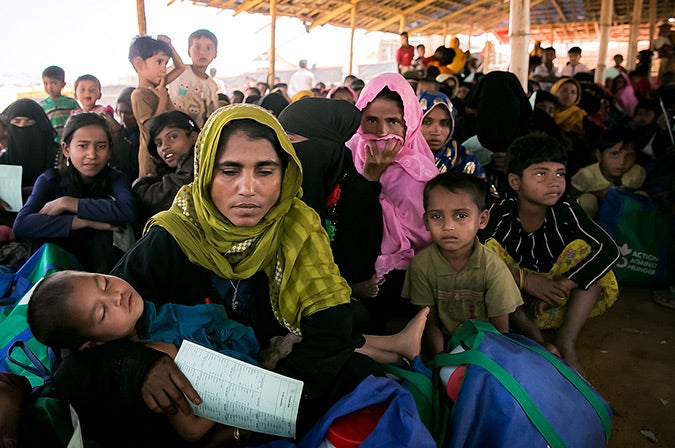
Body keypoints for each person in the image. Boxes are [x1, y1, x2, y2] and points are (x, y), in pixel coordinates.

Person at [53, 104, 429, 447]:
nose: (248, 189)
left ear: (286, 174)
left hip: (281, 390)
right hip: (199, 411)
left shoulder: (298, 229)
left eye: (265, 171)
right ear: (203, 175)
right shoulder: (173, 238)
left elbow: (330, 333)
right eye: (229, 170)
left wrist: (252, 418)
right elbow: (74, 360)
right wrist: (139, 367)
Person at [27, 269, 260, 445]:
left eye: (104, 283)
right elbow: (192, 429)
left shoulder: (150, 311)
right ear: (93, 344)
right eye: (103, 312)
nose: (116, 296)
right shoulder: (153, 360)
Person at [478, 133, 620, 372]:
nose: (554, 182)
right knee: (486, 251)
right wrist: (526, 280)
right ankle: (533, 336)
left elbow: (609, 250)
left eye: (560, 173)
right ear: (515, 182)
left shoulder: (566, 209)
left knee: (589, 255)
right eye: (541, 174)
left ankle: (566, 338)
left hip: (554, 301)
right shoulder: (499, 212)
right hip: (516, 304)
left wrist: (562, 285)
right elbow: (470, 253)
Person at [346, 72, 438, 332]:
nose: (382, 132)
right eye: (371, 120)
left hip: (408, 281)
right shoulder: (346, 156)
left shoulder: (422, 174)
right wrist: (369, 180)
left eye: (393, 122)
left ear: (409, 124)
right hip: (352, 275)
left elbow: (429, 239)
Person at [402, 172, 523, 359]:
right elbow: (429, 322)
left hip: (486, 346)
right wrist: (441, 360)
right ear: (425, 221)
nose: (448, 226)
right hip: (444, 346)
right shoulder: (421, 265)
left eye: (460, 215)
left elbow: (500, 333)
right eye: (436, 216)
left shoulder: (493, 267)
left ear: (482, 220)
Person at [278, 97, 383, 300]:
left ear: (323, 145)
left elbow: (355, 267)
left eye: (291, 141)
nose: (284, 151)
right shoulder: (284, 185)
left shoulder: (358, 195)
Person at [12, 113, 136, 273]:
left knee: (103, 233)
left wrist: (67, 203)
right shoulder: (50, 180)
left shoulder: (116, 179)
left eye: (101, 146)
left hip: (102, 267)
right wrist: (83, 221)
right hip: (59, 269)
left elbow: (128, 211)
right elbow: (21, 225)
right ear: (66, 149)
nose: (92, 155)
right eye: (83, 146)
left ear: (110, 151)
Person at [417, 90, 494, 198]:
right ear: (414, 122)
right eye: (427, 122)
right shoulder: (399, 159)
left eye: (445, 123)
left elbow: (488, 200)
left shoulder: (463, 159)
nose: (436, 131)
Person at [128, 34, 186, 178]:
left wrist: (169, 46)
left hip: (167, 156)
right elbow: (151, 128)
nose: (164, 69)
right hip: (151, 162)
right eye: (159, 62)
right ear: (139, 64)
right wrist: (162, 100)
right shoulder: (139, 95)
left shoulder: (159, 87)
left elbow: (181, 67)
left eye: (166, 63)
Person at [131, 110, 198, 232]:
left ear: (193, 138)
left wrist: (141, 184)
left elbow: (153, 197)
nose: (164, 147)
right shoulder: (171, 171)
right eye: (158, 143)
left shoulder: (196, 168)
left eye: (173, 137)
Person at [569, 127, 646, 220]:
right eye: (614, 154)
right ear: (599, 155)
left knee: (642, 196)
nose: (622, 162)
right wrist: (597, 195)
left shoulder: (636, 173)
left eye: (629, 156)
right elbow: (569, 198)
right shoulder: (586, 175)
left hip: (620, 219)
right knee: (587, 201)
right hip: (592, 219)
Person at [0, 99, 59, 192]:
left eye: (29, 121)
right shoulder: (3, 161)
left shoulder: (59, 156)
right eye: (17, 121)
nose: (22, 126)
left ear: (40, 125)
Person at [167, 29, 219, 128]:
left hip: (195, 134)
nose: (202, 52)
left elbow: (210, 114)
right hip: (170, 126)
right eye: (197, 47)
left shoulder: (212, 86)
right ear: (189, 52)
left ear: (215, 53)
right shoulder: (177, 70)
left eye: (208, 48)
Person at [39, 65, 79, 140]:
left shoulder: (71, 102)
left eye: (54, 83)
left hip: (69, 140)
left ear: (63, 84)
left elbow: (78, 121)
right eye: (46, 83)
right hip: (51, 142)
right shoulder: (42, 106)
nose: (49, 87)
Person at [114, 86, 140, 181]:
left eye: (129, 113)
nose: (123, 117)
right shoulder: (119, 129)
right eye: (120, 112)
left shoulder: (142, 134)